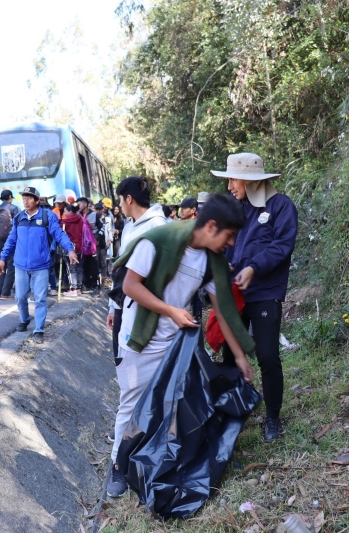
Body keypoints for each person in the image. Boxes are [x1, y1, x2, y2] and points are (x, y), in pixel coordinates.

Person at [107, 193, 254, 498]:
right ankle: (118, 467)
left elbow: (222, 310)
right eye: (228, 237)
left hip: (174, 342)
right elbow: (130, 286)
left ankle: (158, 461)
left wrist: (240, 356)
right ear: (211, 226)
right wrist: (171, 310)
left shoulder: (211, 260)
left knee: (174, 401)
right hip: (140, 337)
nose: (230, 244)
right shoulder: (159, 239)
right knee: (132, 402)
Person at [211, 152, 297, 443]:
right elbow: (224, 244)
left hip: (265, 293)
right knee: (230, 354)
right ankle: (232, 412)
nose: (229, 186)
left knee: (268, 356)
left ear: (248, 180)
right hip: (235, 293)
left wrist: (253, 267)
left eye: (233, 179)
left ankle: (273, 417)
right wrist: (227, 265)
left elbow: (282, 246)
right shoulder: (234, 208)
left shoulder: (281, 207)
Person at [0, 187, 78, 343]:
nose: (26, 200)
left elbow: (59, 234)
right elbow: (11, 240)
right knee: (20, 297)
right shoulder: (19, 218)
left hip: (40, 266)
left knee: (40, 299)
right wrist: (2, 258)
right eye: (24, 198)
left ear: (37, 200)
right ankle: (25, 318)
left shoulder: (47, 217)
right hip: (20, 265)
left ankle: (39, 329)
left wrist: (70, 249)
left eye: (29, 198)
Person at [106, 177, 167, 364]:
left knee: (138, 365)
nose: (120, 205)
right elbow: (119, 270)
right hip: (122, 302)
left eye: (120, 199)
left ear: (129, 199)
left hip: (142, 309)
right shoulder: (129, 227)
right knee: (121, 359)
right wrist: (113, 307)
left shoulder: (157, 227)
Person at [0, 190, 19, 299]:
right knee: (11, 265)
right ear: (10, 197)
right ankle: (6, 292)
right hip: (10, 240)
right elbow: (18, 224)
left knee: (0, 264)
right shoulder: (13, 208)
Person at [61, 203, 86, 296]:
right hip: (81, 246)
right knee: (79, 268)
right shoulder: (82, 219)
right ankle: (79, 287)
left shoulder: (64, 222)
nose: (64, 213)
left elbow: (62, 234)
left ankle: (73, 288)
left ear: (70, 211)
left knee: (71, 268)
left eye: (65, 211)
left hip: (70, 247)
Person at [89, 202, 112, 280]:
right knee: (95, 262)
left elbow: (110, 231)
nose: (98, 211)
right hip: (94, 244)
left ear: (103, 209)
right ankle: (97, 280)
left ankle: (104, 278)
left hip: (103, 243)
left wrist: (109, 241)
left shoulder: (107, 219)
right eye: (97, 209)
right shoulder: (92, 219)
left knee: (103, 262)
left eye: (100, 209)